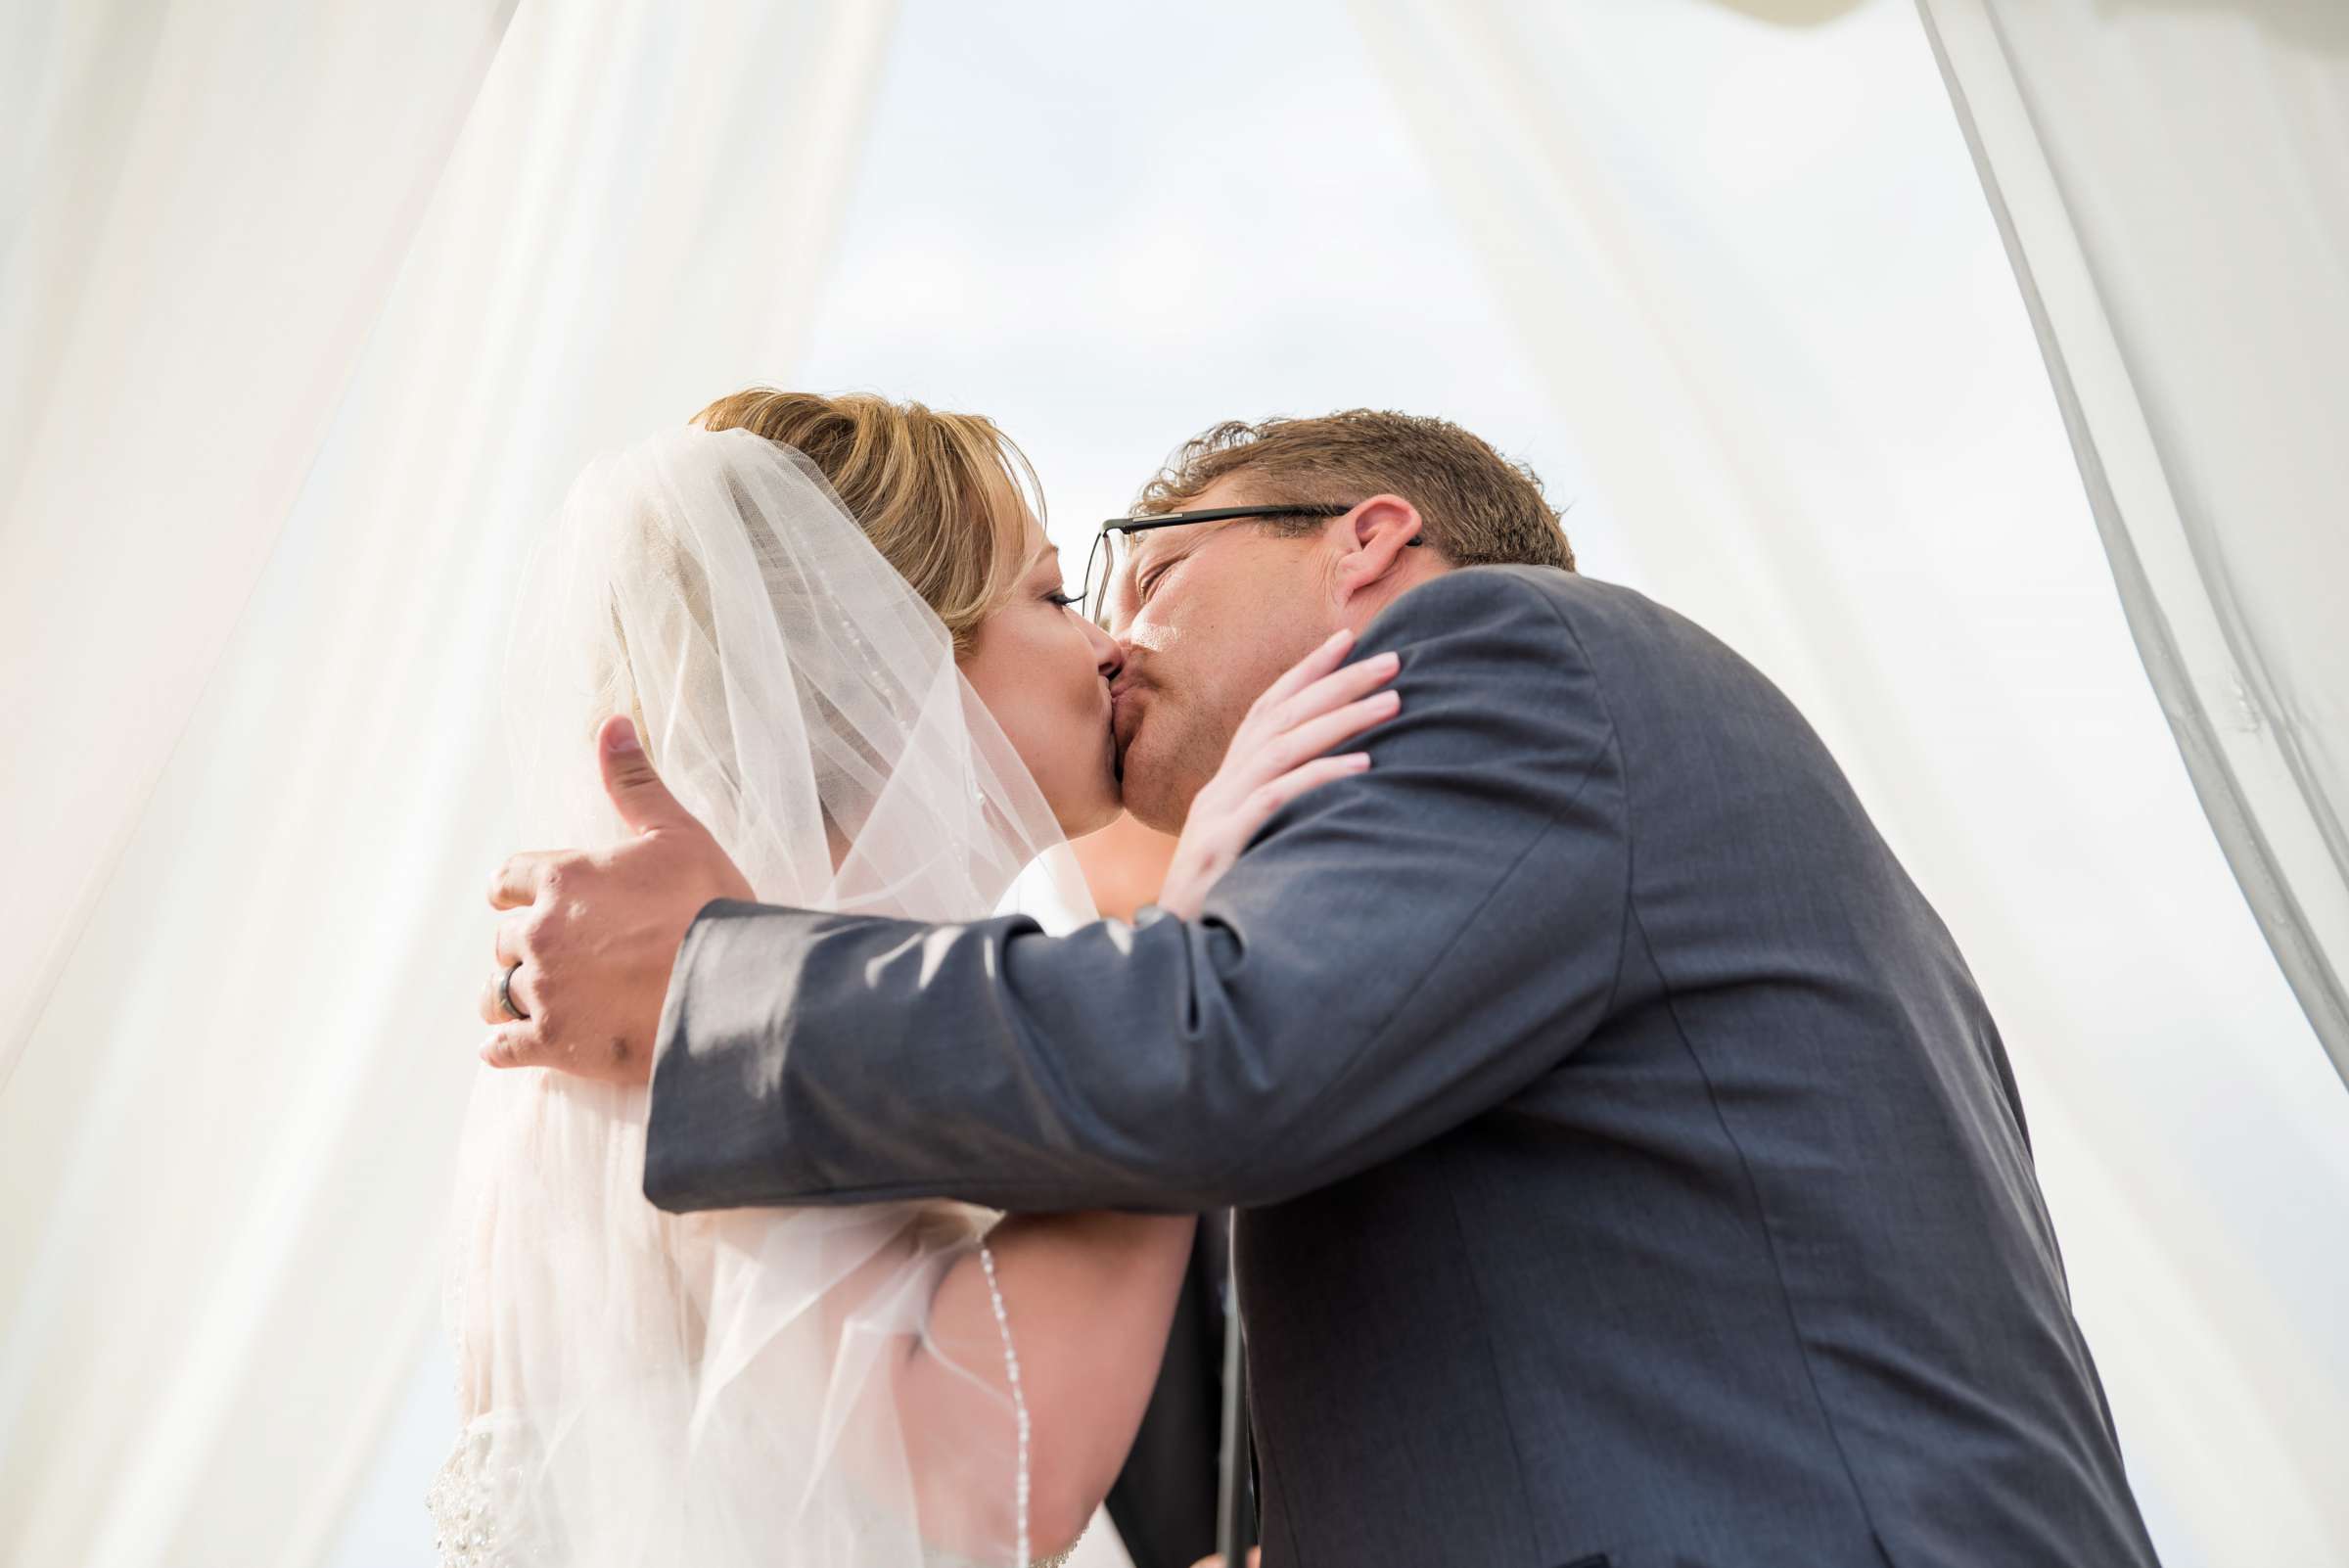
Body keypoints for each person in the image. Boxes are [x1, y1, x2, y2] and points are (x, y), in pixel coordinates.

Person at [484, 408, 2165, 1568]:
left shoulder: (1503, 656)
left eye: (1139, 572)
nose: (1112, 643)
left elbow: (1216, 1062)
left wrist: (714, 987)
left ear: (1365, 544)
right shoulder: (1439, 899)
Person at [440, 391, 1393, 1568]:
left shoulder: (746, 998)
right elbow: (979, 1484)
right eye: (1050, 596)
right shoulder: (693, 1024)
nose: (1107, 645)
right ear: (884, 660)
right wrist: (1187, 942)